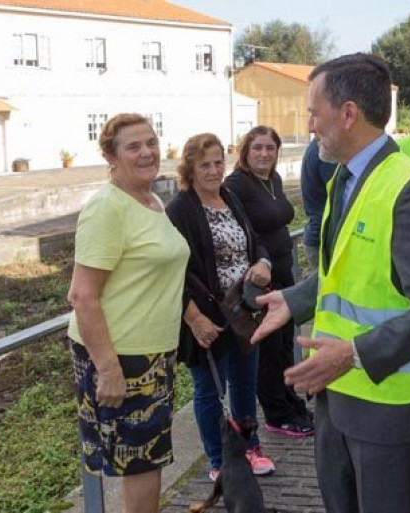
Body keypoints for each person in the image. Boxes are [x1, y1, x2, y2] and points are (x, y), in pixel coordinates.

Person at [251, 53, 410, 512]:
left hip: (386, 405)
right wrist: (293, 300)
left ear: (348, 114)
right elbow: (344, 271)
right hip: (337, 396)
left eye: (314, 111)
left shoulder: (409, 188)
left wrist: (352, 354)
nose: (309, 125)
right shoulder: (346, 178)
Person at [67, 113, 190, 513]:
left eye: (151, 142)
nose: (147, 152)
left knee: (148, 462)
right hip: (121, 356)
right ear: (111, 156)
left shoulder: (152, 201)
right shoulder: (107, 207)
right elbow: (82, 296)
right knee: (139, 466)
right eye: (133, 146)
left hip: (153, 353)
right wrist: (108, 369)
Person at [165, 133, 276, 481]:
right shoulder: (180, 209)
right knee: (210, 391)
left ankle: (250, 448)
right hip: (207, 318)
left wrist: (263, 263)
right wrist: (194, 318)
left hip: (243, 313)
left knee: (245, 383)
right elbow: (172, 272)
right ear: (190, 169)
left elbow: (253, 240)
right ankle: (219, 461)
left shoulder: (228, 197)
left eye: (218, 163)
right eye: (205, 165)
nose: (213, 171)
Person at [224, 126, 315, 437]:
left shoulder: (273, 180)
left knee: (285, 346)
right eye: (257, 148)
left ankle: (291, 401)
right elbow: (242, 232)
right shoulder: (237, 185)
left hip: (284, 272)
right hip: (260, 279)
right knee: (268, 348)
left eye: (270, 148)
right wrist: (260, 263)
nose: (264, 154)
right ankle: (276, 414)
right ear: (245, 152)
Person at [300, 137, 338, 270]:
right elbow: (339, 193)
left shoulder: (316, 147)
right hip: (323, 239)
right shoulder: (324, 152)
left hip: (318, 235)